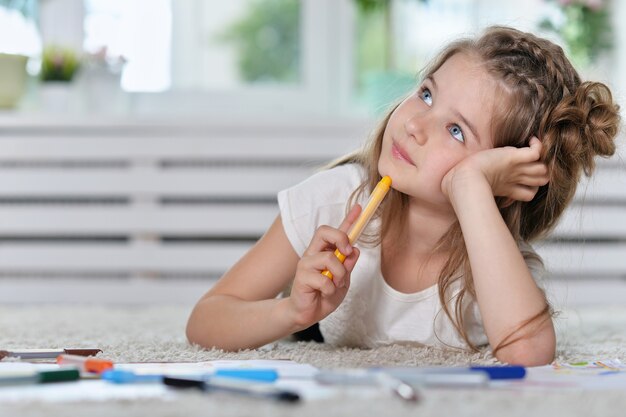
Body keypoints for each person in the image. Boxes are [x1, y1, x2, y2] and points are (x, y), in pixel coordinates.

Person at [186, 26, 620, 365]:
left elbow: (527, 353)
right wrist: (292, 314)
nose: (415, 124)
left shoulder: (494, 263)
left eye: (456, 131)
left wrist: (470, 186)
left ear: (501, 179)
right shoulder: (334, 200)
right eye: (427, 94)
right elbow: (206, 322)